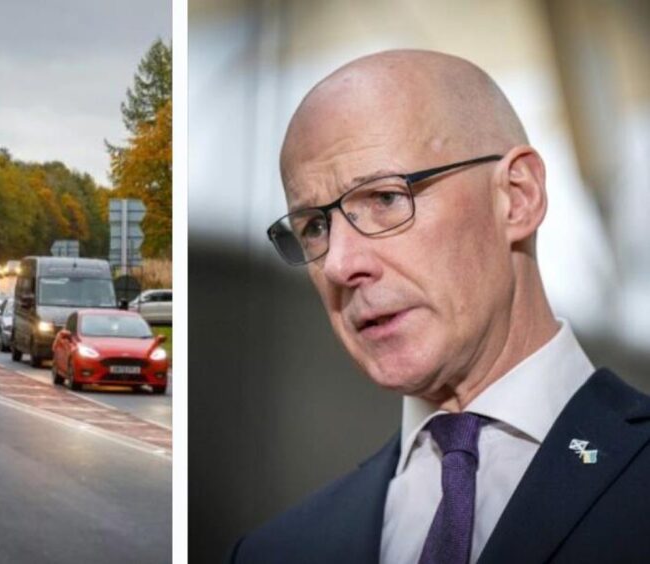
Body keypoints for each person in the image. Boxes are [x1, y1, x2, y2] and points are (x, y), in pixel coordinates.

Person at [230, 49, 650, 564]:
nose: (339, 264)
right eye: (314, 227)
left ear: (517, 197)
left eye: (384, 198)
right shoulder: (274, 553)